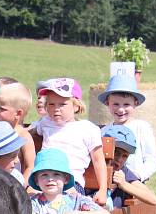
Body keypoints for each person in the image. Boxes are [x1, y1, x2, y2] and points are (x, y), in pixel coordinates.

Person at [30, 77, 108, 206]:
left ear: (76, 106)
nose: (56, 109)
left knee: (64, 202)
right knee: (26, 199)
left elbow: (99, 160)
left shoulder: (87, 128)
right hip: (42, 180)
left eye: (62, 104)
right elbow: (30, 133)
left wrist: (103, 190)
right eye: (51, 104)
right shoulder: (45, 123)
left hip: (70, 182)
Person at [28, 149, 111, 214]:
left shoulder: (75, 200)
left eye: (56, 174)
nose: (50, 179)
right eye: (44, 175)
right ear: (36, 180)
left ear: (66, 179)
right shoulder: (34, 202)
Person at [98, 74, 156, 181]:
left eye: (126, 104)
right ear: (108, 103)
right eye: (116, 104)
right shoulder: (104, 131)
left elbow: (151, 159)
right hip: (108, 183)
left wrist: (138, 176)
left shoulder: (141, 128)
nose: (121, 109)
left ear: (135, 104)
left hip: (133, 184)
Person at [101, 124, 156, 208]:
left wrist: (124, 184)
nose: (119, 159)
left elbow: (153, 199)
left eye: (124, 156)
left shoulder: (123, 171)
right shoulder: (93, 167)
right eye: (116, 152)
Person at [0, 82, 35, 184]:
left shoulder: (23, 135)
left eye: (2, 109)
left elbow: (30, 166)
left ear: (18, 113)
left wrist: (22, 187)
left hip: (14, 184)